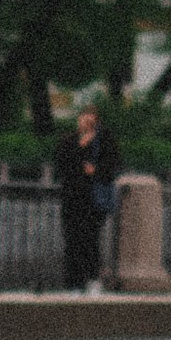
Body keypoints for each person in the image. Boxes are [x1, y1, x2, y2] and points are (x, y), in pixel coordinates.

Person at [53, 101, 117, 289]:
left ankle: (91, 278)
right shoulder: (69, 141)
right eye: (83, 119)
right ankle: (73, 281)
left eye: (91, 121)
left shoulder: (104, 141)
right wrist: (80, 146)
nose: (86, 124)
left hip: (93, 200)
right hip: (72, 197)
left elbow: (113, 165)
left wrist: (96, 170)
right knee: (72, 239)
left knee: (90, 239)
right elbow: (61, 163)